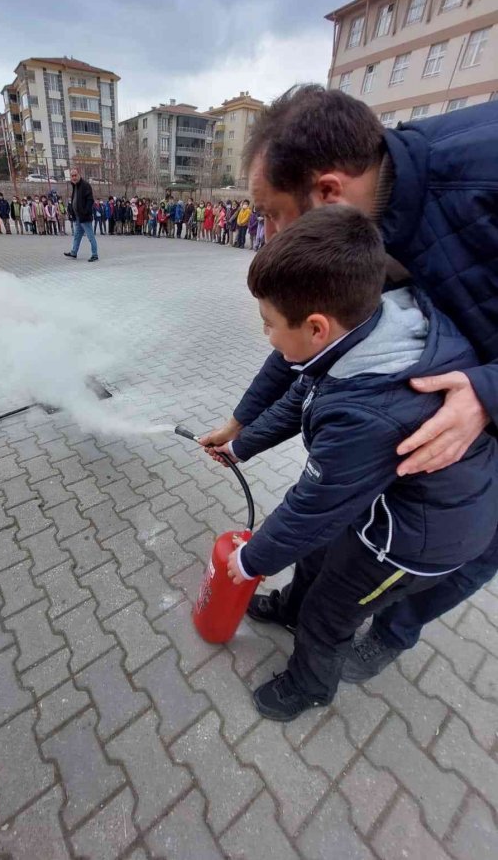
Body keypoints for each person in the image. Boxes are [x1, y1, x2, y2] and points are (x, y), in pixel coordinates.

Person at [201, 85, 498, 682]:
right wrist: (243, 425)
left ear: (329, 191)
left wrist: (487, 395)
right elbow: (306, 348)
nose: (270, 235)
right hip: (428, 427)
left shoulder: (482, 180)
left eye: (271, 216)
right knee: (353, 549)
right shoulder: (353, 243)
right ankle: (322, 605)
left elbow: (314, 502)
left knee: (457, 543)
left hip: (463, 460)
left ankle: (390, 632)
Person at [64, 167, 99, 261]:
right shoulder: (75, 186)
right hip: (78, 217)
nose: (74, 177)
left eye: (75, 175)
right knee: (77, 236)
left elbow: (90, 200)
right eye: (72, 176)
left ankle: (95, 254)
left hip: (85, 217)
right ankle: (74, 252)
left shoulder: (85, 185)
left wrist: (85, 212)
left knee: (90, 236)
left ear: (79, 175)